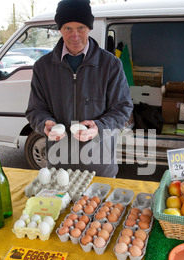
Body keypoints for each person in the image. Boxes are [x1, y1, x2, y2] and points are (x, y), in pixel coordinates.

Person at [25, 0, 133, 178]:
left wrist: (98, 126)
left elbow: (122, 109)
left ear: (89, 28)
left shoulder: (111, 65)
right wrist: (44, 123)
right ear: (59, 29)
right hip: (59, 169)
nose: (74, 35)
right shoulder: (43, 67)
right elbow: (34, 110)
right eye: (68, 28)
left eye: (81, 28)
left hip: (100, 168)